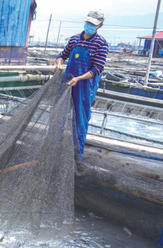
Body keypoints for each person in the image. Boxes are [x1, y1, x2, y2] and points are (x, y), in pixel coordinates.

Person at [54, 9, 109, 163]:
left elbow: (98, 68)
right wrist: (59, 64)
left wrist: (79, 78)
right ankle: (54, 146)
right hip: (67, 82)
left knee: (80, 118)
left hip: (84, 86)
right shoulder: (73, 40)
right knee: (59, 114)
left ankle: (76, 154)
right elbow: (62, 56)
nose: (89, 26)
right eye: (88, 22)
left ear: (100, 26)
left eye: (93, 24)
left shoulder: (101, 44)